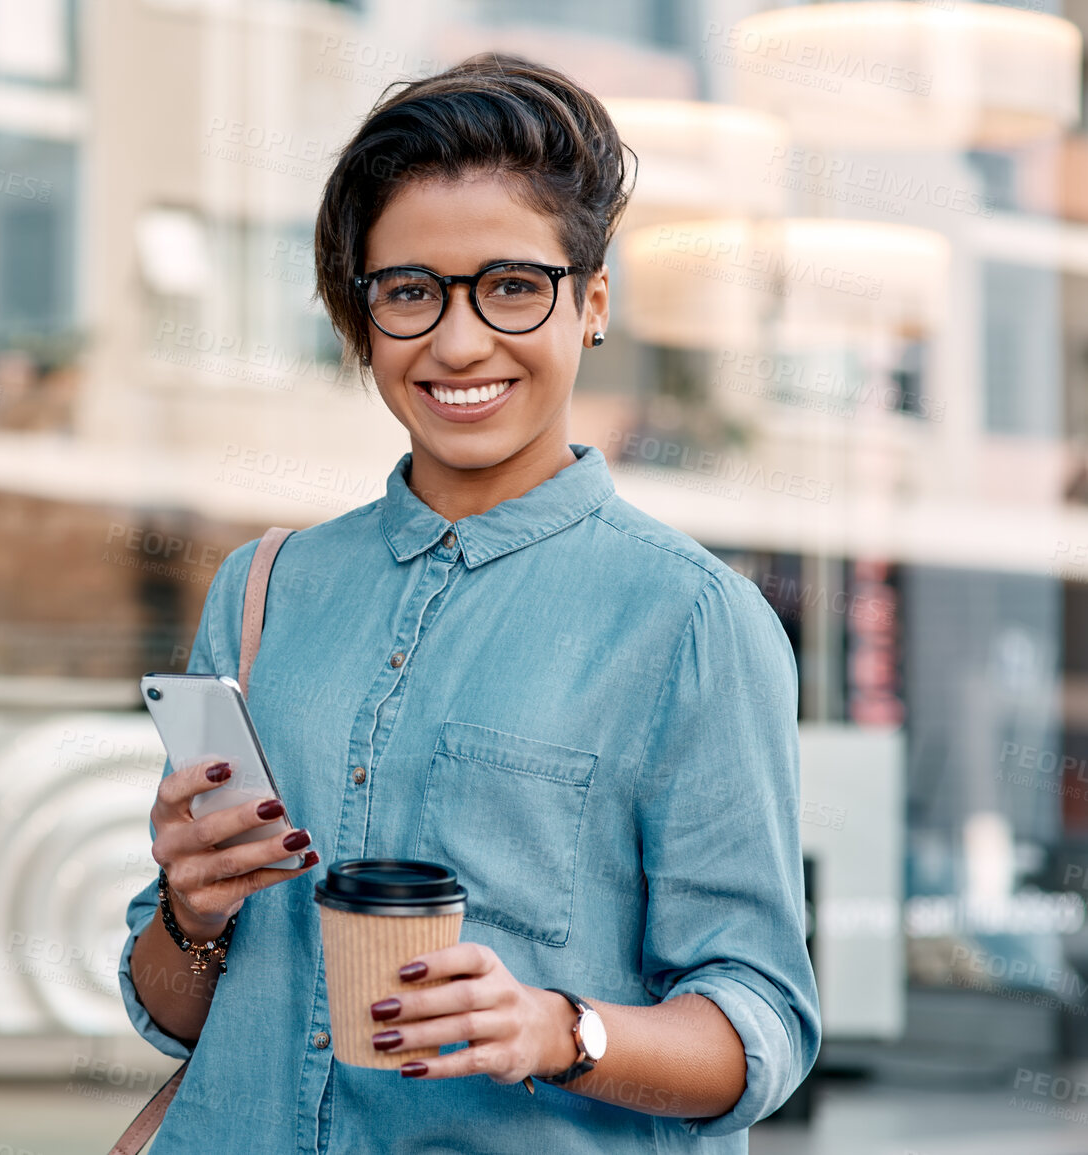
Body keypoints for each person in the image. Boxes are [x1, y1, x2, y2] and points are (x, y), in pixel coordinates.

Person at [118, 52, 819, 1153]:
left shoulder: (692, 623)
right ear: (362, 318)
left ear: (590, 302)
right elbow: (173, 1015)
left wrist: (557, 1030)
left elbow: (762, 1024)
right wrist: (191, 913)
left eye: (510, 286)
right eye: (410, 292)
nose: (456, 342)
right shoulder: (265, 591)